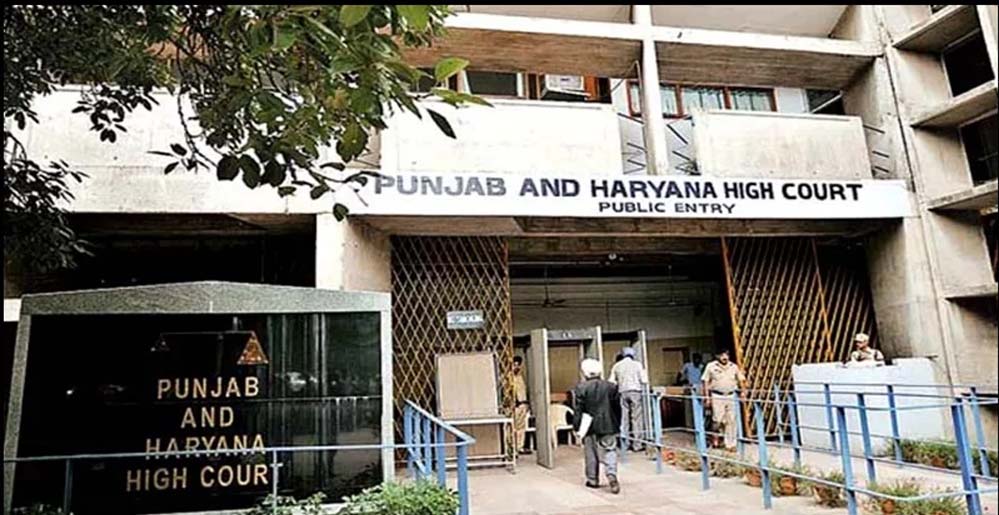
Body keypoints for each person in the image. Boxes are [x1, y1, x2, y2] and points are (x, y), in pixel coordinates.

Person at [573, 358, 622, 494]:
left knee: (590, 452)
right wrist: (618, 423)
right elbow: (617, 407)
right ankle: (611, 474)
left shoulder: (581, 388)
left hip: (589, 425)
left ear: (584, 372)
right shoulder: (611, 387)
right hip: (609, 423)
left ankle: (592, 479)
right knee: (610, 450)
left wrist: (576, 427)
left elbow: (578, 410)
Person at [701, 350, 746, 451]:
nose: (724, 357)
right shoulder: (711, 366)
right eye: (722, 355)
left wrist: (743, 392)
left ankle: (730, 444)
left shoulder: (733, 366)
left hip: (731, 395)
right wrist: (707, 397)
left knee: (731, 419)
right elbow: (705, 381)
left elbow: (741, 379)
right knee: (717, 419)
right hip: (717, 395)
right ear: (717, 356)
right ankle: (715, 438)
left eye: (726, 355)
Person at [608, 346, 649, 452]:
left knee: (624, 418)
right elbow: (644, 380)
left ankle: (624, 444)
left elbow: (611, 382)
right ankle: (637, 444)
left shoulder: (617, 366)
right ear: (632, 355)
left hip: (622, 392)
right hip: (635, 392)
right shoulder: (637, 365)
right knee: (636, 418)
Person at [512, 356, 532, 455]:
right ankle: (513, 448)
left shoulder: (520, 377)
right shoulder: (509, 378)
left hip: (523, 404)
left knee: (521, 428)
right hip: (516, 405)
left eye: (518, 365)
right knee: (513, 427)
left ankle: (520, 447)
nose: (516, 367)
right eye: (514, 365)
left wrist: (527, 404)